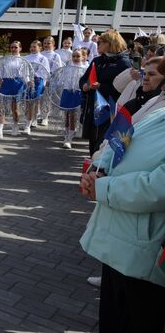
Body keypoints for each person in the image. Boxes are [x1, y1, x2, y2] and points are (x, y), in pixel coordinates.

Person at [79, 60, 165, 331]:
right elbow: (121, 142)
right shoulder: (156, 111)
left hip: (143, 253)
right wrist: (98, 170)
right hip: (118, 244)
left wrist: (102, 188)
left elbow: (157, 188)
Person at [79, 29, 132, 155]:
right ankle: (92, 162)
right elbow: (83, 79)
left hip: (111, 109)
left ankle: (96, 165)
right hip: (94, 106)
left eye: (101, 42)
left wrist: (101, 87)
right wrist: (84, 86)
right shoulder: (97, 60)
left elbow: (124, 89)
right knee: (93, 141)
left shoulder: (124, 63)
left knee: (102, 143)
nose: (98, 44)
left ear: (110, 43)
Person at [0, 41, 30, 139]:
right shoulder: (5, 60)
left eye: (15, 47)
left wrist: (29, 82)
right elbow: (1, 74)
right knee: (2, 108)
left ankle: (15, 127)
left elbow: (26, 75)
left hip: (18, 85)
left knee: (15, 109)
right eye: (12, 47)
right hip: (6, 84)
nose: (13, 49)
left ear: (20, 48)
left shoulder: (23, 61)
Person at [54, 49, 87, 149]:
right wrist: (55, 85)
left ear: (83, 57)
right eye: (74, 56)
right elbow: (61, 80)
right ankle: (67, 135)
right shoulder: (68, 68)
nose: (75, 58)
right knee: (67, 115)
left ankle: (69, 138)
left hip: (77, 92)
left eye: (78, 56)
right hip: (67, 92)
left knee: (73, 115)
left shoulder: (85, 68)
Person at [23, 40, 52, 133]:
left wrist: (43, 83)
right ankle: (29, 121)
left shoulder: (43, 59)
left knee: (34, 102)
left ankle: (31, 121)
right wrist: (28, 80)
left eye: (34, 47)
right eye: (31, 47)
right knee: (28, 103)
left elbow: (45, 72)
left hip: (38, 81)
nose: (32, 48)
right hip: (28, 81)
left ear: (40, 48)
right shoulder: (26, 58)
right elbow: (23, 71)